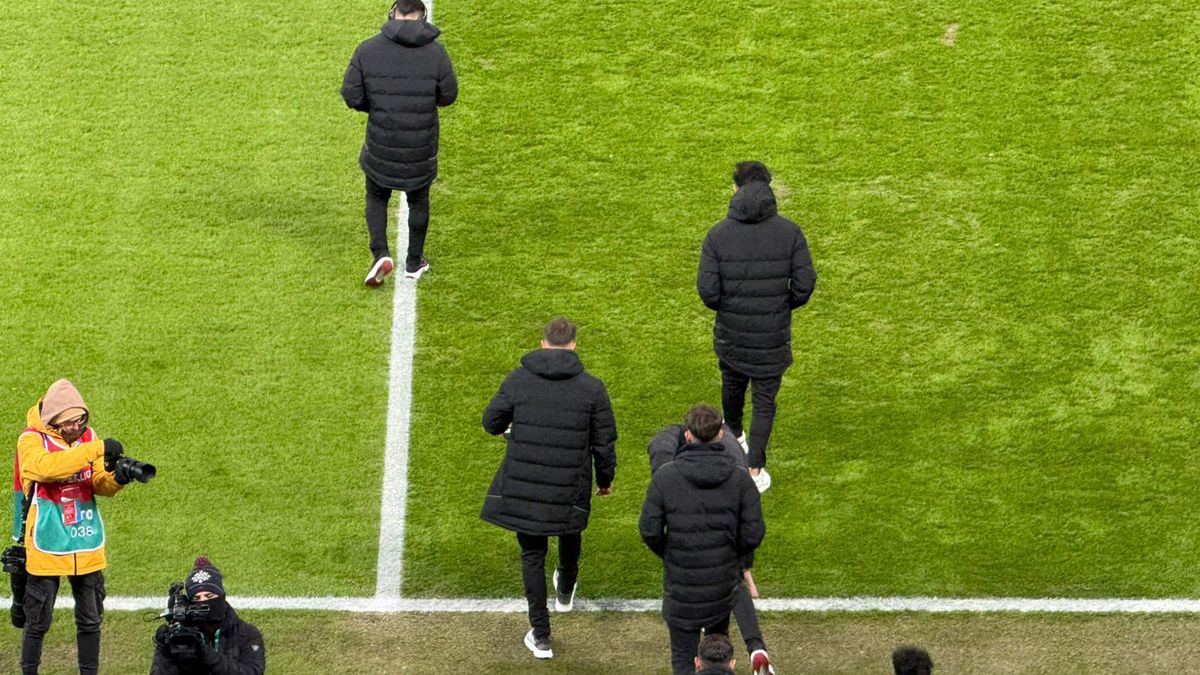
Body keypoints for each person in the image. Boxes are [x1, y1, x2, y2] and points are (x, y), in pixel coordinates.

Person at [480, 318, 617, 659]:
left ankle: (541, 636)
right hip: (570, 484)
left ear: (543, 343)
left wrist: (513, 429)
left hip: (524, 484)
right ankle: (566, 588)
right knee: (569, 530)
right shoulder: (592, 388)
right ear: (573, 345)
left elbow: (491, 422)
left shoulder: (518, 379)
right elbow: (604, 444)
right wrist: (604, 481)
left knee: (532, 555)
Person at [697, 160, 817, 492]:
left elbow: (708, 291)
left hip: (732, 334)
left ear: (736, 189)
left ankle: (734, 436)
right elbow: (805, 284)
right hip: (772, 336)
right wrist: (780, 305)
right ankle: (754, 469)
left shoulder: (718, 235)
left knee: (732, 384)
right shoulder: (790, 233)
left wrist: (731, 309)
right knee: (765, 401)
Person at [14, 379, 134, 675]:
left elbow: (97, 485)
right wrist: (96, 449)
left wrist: (118, 478)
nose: (76, 427)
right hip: (47, 541)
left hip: (85, 539)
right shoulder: (31, 440)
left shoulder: (87, 437)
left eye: (80, 420)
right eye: (68, 422)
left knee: (91, 620)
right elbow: (47, 468)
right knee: (37, 622)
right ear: (52, 420)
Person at [640, 404, 765, 675]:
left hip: (681, 591)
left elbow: (649, 531)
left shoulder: (665, 477)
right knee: (716, 654)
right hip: (721, 588)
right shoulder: (740, 478)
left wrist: (671, 552)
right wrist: (731, 555)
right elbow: (754, 532)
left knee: (683, 659)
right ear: (721, 434)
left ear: (688, 435)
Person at [342, 0, 458, 287]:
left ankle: (380, 253)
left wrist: (378, 107)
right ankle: (414, 262)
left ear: (394, 13)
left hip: (381, 143)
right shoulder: (436, 53)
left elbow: (351, 94)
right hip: (420, 146)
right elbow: (448, 96)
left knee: (376, 197)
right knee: (418, 200)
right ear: (422, 16)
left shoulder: (367, 49)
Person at [151, 556, 265, 674]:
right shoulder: (180, 636)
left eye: (209, 596)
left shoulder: (248, 634)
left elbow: (253, 672)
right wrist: (166, 653)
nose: (203, 601)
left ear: (221, 596)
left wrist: (208, 655)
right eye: (197, 598)